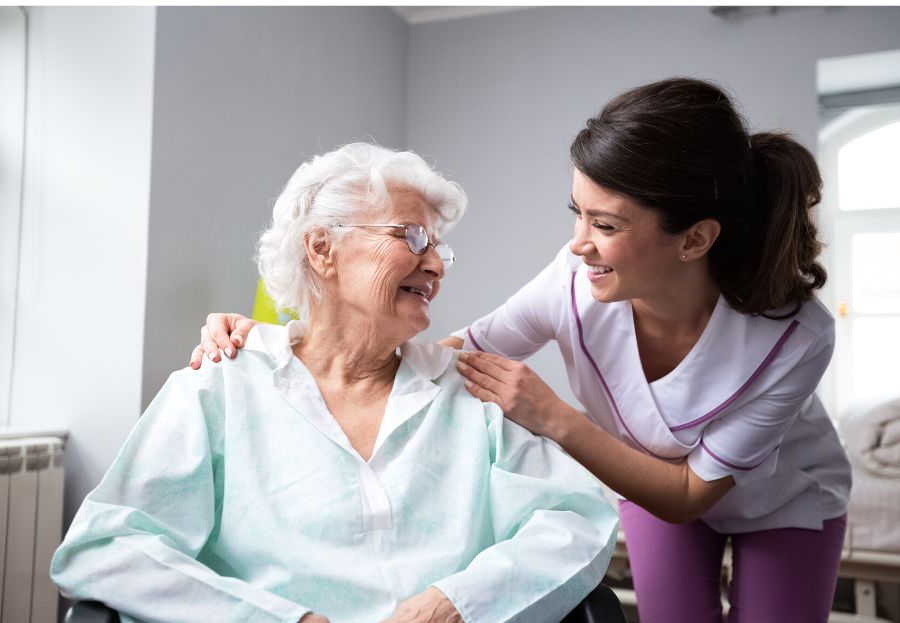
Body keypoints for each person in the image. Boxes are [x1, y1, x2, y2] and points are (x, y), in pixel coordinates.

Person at [197, 78, 853, 623]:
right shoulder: (573, 282)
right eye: (577, 212)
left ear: (693, 239)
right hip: (648, 486)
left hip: (781, 498)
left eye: (605, 225)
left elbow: (687, 493)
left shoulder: (795, 337)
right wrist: (282, 344)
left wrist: (554, 416)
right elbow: (449, 357)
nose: (578, 243)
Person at [52, 143, 618, 623]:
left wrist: (454, 604)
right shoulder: (219, 387)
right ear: (322, 249)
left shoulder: (472, 393)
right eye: (412, 237)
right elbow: (108, 547)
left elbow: (578, 522)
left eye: (439, 248)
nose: (438, 265)